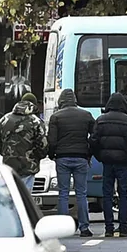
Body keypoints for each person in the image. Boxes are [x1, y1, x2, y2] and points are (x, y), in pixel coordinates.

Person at [91, 92, 127, 237]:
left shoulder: (101, 120)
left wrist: (100, 156)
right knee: (123, 194)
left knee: (107, 194)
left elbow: (93, 141)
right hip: (124, 161)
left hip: (107, 162)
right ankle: (123, 227)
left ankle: (109, 228)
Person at [48, 88, 96, 237]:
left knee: (63, 193)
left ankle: (63, 228)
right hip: (81, 157)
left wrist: (52, 155)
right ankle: (84, 227)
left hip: (62, 157)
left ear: (61, 101)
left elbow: (52, 140)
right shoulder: (86, 115)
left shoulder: (56, 117)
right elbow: (95, 136)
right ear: (75, 100)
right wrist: (89, 153)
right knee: (82, 193)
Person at [0, 97, 48, 192]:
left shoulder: (5, 119)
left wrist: (7, 153)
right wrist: (35, 157)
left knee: (12, 194)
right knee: (26, 195)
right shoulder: (35, 121)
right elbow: (43, 145)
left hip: (9, 164)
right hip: (28, 165)